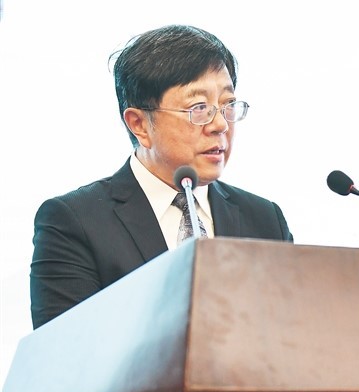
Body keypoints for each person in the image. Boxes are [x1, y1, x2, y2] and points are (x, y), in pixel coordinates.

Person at [30, 24, 293, 329]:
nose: (220, 125)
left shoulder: (264, 219)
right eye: (199, 108)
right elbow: (66, 349)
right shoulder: (74, 222)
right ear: (139, 124)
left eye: (228, 105)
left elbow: (291, 335)